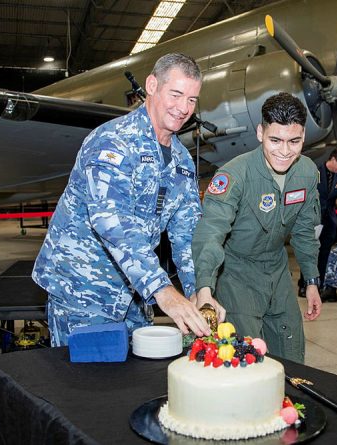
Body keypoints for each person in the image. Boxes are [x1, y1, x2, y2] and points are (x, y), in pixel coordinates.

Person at [33, 53, 223, 346]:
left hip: (134, 296)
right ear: (151, 85)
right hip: (84, 292)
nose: (184, 108)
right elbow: (113, 221)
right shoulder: (113, 141)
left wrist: (200, 290)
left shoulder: (183, 161)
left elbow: (187, 235)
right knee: (84, 386)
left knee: (136, 385)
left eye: (192, 99)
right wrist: (163, 290)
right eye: (176, 94)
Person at [192, 92, 322, 363]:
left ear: (303, 137)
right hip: (237, 275)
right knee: (246, 358)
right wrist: (205, 288)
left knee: (292, 356)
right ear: (260, 132)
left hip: (277, 271)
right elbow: (210, 233)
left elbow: (304, 230)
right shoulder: (234, 175)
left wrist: (311, 280)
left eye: (294, 141)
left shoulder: (307, 173)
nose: (285, 151)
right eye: (275, 140)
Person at [299, 149, 337, 298]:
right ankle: (304, 284)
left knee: (324, 254)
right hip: (313, 220)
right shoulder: (314, 171)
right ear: (333, 159)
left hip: (329, 222)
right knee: (309, 253)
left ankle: (318, 285)